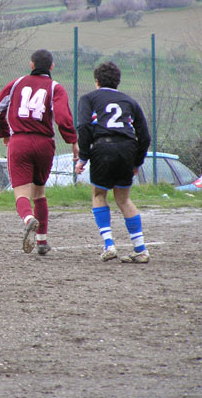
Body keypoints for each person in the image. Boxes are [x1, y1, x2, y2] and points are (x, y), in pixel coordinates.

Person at [0, 49, 78, 255]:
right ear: (52, 66)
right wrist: (72, 140)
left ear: (31, 65)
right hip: (44, 144)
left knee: (22, 193)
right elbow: (63, 118)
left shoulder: (16, 84)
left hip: (20, 141)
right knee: (39, 192)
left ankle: (28, 218)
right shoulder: (56, 87)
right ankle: (41, 241)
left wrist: (4, 133)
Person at [74, 61, 151, 263]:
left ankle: (109, 245)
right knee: (124, 200)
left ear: (97, 81)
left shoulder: (88, 98)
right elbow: (144, 137)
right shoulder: (130, 102)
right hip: (127, 148)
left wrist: (83, 156)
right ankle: (141, 249)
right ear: (118, 82)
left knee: (99, 194)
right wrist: (137, 162)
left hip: (103, 147)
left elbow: (84, 126)